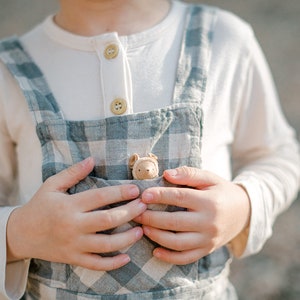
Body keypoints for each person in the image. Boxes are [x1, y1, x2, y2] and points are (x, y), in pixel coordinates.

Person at [0, 0, 299, 299]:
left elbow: (277, 154)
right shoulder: (8, 71)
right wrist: (20, 233)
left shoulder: (224, 39)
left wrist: (242, 206)